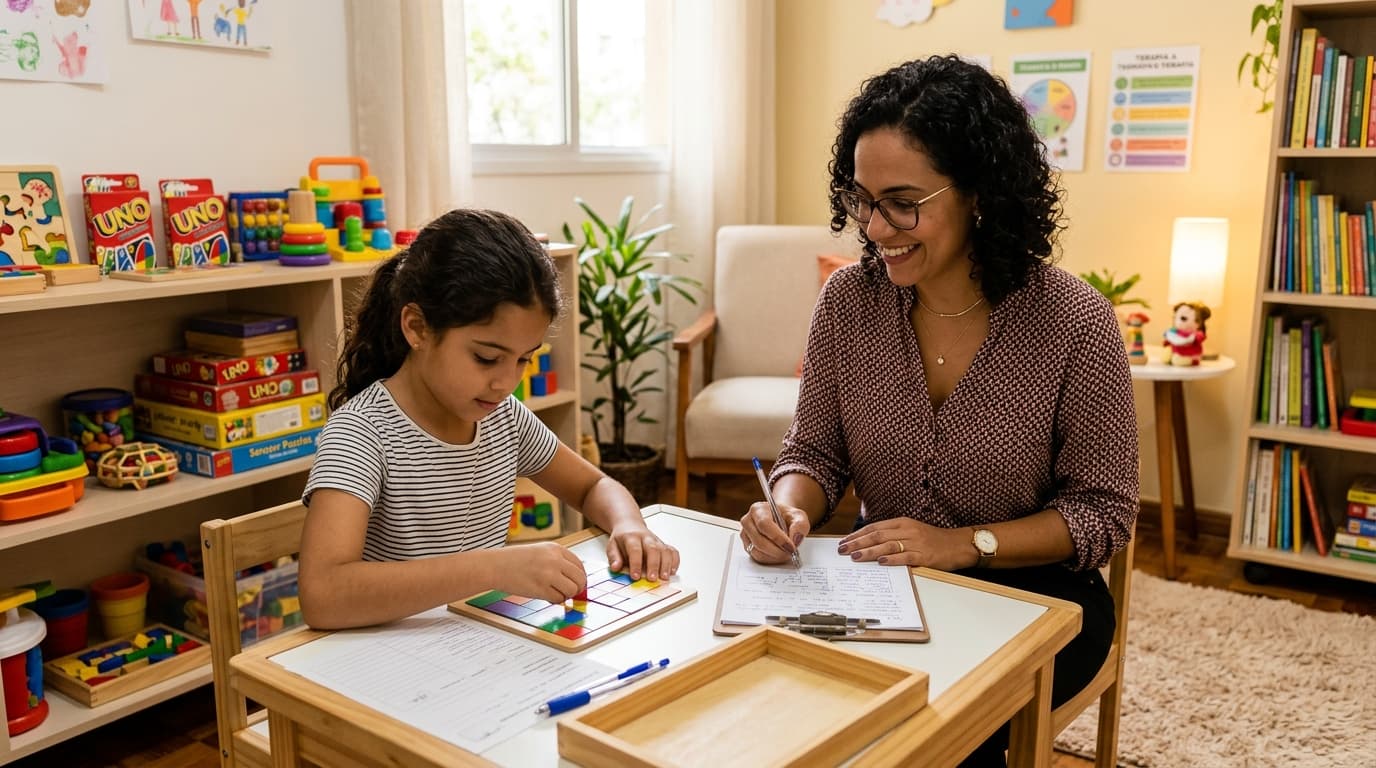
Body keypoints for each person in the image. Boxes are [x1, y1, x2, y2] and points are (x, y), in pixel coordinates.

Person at [739, 56, 1138, 767]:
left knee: (943, 729)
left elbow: (1103, 515)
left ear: (979, 193)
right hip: (885, 580)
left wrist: (964, 544)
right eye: (860, 199)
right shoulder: (848, 303)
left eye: (902, 201)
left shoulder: (1075, 321)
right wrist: (790, 507)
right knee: (786, 700)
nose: (875, 227)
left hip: (1041, 599)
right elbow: (815, 453)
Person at [299, 208, 680, 630]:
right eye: (487, 358)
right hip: (388, 662)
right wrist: (493, 569)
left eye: (523, 360)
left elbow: (594, 486)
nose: (506, 382)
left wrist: (629, 525)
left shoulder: (503, 419)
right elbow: (323, 594)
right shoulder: (362, 432)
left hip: (476, 644)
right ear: (418, 328)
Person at [1164, 301, 1210, 366]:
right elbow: (1169, 339)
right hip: (1175, 351)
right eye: (1175, 317)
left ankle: (1191, 360)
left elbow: (1199, 338)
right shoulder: (1175, 331)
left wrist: (1190, 339)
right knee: (1167, 353)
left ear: (1198, 323)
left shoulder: (1196, 334)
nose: (1177, 322)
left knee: (1178, 360)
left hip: (1190, 355)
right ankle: (1172, 356)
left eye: (1183, 318)